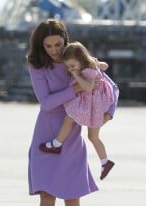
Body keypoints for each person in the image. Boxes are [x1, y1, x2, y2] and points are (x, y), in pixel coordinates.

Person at [27, 19, 99, 206]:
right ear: (40, 45)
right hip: (46, 134)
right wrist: (74, 88)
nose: (55, 50)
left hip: (72, 137)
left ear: (65, 40)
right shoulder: (36, 65)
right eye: (49, 46)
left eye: (58, 44)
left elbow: (100, 78)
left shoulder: (75, 56)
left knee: (73, 198)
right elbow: (46, 103)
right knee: (47, 197)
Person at [39, 41, 118, 180]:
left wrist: (76, 75)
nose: (70, 69)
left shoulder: (87, 71)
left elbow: (88, 87)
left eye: (72, 65)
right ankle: (105, 162)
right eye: (68, 66)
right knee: (93, 137)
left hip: (92, 104)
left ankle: (56, 144)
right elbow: (105, 66)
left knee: (69, 117)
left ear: (81, 60)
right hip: (98, 103)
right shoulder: (90, 65)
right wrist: (97, 64)